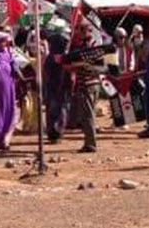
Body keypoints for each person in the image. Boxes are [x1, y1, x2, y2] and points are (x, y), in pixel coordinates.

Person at [66, 22, 105, 153]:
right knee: (87, 114)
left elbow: (100, 67)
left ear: (89, 31)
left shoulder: (91, 47)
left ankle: (91, 144)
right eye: (79, 30)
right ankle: (89, 141)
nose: (79, 33)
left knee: (88, 115)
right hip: (88, 84)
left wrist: (79, 66)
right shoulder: (84, 47)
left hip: (89, 84)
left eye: (82, 30)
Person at [43, 29, 71, 143]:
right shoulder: (65, 57)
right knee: (60, 109)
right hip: (60, 87)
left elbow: (46, 71)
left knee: (55, 110)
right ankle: (57, 132)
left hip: (55, 87)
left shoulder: (52, 57)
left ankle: (54, 132)